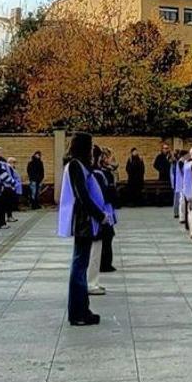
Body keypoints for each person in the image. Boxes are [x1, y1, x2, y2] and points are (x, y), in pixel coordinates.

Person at [58, 132, 107, 326]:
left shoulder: (80, 165)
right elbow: (82, 195)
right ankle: (78, 313)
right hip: (83, 220)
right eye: (90, 144)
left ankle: (82, 310)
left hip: (85, 219)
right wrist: (99, 215)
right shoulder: (75, 166)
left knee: (81, 264)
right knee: (79, 266)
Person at [94, 146, 119, 274]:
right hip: (105, 207)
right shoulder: (100, 173)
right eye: (109, 157)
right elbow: (106, 192)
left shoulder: (106, 172)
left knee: (109, 235)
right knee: (106, 235)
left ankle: (106, 262)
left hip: (108, 207)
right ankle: (104, 263)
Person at [5, 156, 23, 222]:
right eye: (13, 162)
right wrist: (14, 184)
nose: (14, 164)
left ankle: (10, 215)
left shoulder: (13, 169)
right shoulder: (8, 169)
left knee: (12, 202)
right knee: (9, 203)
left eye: (15, 162)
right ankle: (9, 216)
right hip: (11, 187)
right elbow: (10, 178)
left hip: (15, 187)